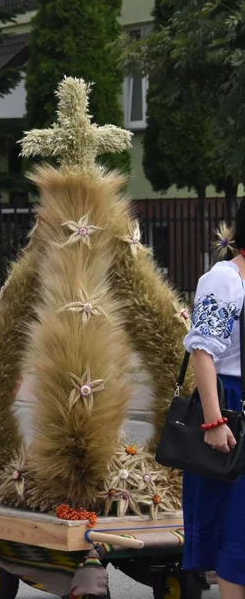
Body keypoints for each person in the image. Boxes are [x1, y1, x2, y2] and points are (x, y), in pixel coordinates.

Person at [181, 201, 245, 597]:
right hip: (232, 406)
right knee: (235, 527)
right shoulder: (225, 280)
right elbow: (203, 353)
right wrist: (214, 420)